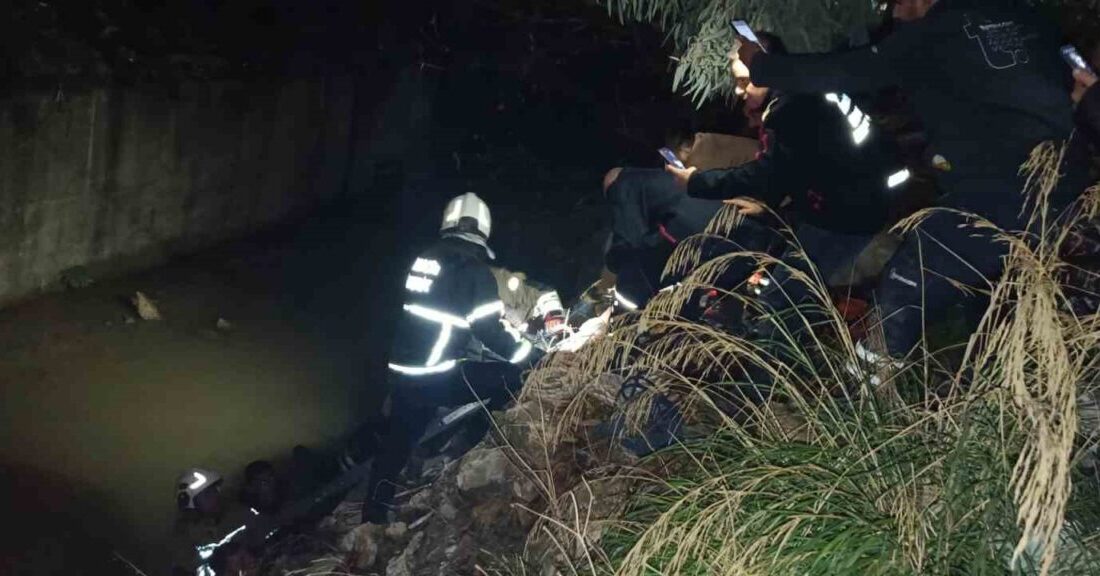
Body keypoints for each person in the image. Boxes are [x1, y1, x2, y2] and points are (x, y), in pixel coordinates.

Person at [736, 0, 1091, 366]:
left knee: (907, 285)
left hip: (994, 194)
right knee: (996, 297)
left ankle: (874, 385)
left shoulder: (935, 33)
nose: (891, 10)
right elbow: (1080, 78)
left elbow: (848, 70)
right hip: (1066, 183)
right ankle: (1021, 371)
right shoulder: (1026, 18)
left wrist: (761, 65)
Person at [667, 32, 909, 329]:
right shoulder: (808, 86)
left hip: (848, 216)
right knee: (790, 287)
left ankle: (774, 350)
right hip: (864, 199)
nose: (739, 91)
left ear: (767, 66)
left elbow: (768, 174)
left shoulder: (790, 109)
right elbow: (805, 166)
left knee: (782, 302)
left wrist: (696, 182)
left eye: (745, 81)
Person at [363, 192, 541, 523]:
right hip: (435, 375)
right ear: (483, 229)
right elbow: (490, 331)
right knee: (511, 378)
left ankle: (372, 517)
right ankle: (470, 448)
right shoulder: (474, 271)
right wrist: (533, 356)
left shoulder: (425, 258)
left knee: (395, 446)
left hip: (402, 371)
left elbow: (439, 310)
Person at [171, 468, 259, 576]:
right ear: (190, 503)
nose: (214, 496)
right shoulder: (185, 537)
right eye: (207, 494)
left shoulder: (236, 513)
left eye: (214, 490)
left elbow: (262, 533)